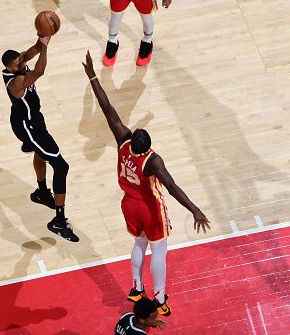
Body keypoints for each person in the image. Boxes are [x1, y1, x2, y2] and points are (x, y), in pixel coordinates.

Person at [82, 51, 210, 316]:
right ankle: (160, 298)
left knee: (139, 243)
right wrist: (194, 209)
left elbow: (108, 110)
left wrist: (92, 76)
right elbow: (172, 188)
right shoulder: (153, 162)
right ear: (148, 146)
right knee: (159, 249)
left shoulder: (123, 142)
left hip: (128, 204)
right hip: (149, 207)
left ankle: (137, 288)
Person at [1, 36, 79, 242]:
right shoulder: (16, 81)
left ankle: (42, 192)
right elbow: (40, 71)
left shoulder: (18, 64)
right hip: (28, 127)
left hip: (34, 119)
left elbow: (32, 50)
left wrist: (44, 37)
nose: (22, 63)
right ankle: (59, 221)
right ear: (10, 68)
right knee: (61, 166)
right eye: (18, 63)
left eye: (21, 60)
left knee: (40, 154)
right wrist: (44, 50)